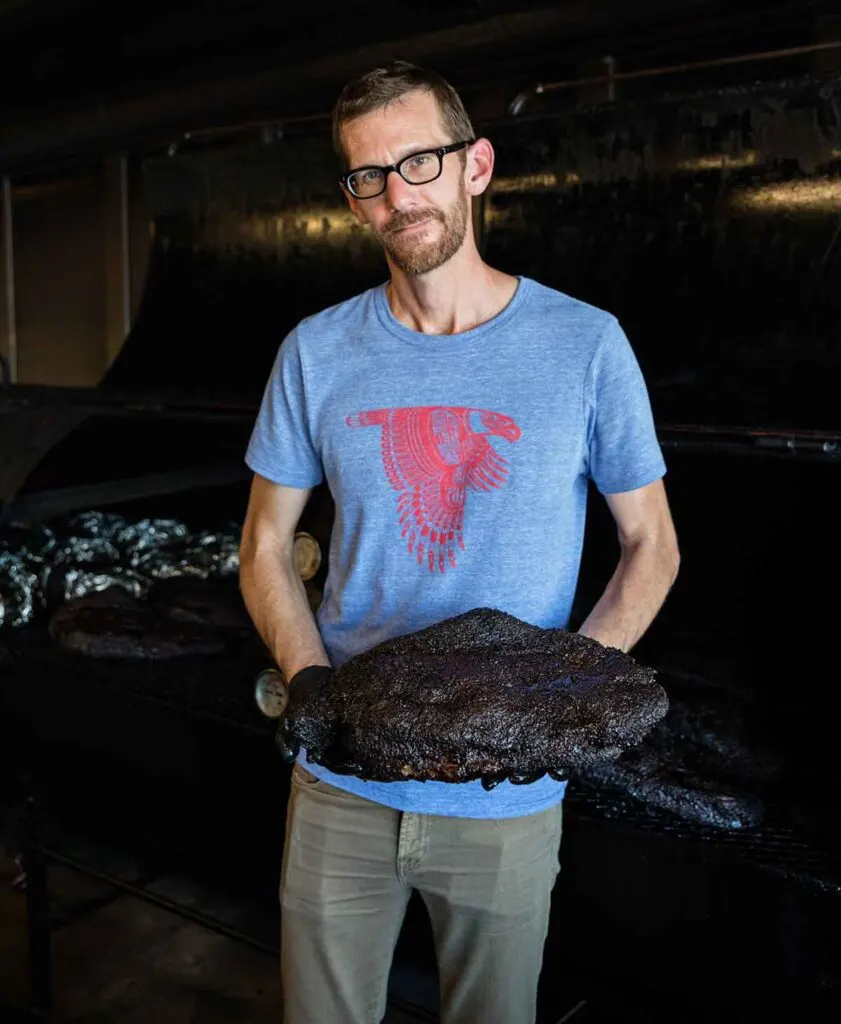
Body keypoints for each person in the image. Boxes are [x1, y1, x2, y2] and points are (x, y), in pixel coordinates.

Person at [239, 60, 680, 1024]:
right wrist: (309, 681)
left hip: (504, 798)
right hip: (340, 777)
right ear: (352, 202)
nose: (400, 194)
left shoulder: (586, 343)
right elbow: (266, 543)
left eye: (421, 160)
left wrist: (554, 698)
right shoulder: (315, 351)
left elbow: (651, 543)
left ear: (475, 165)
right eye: (370, 176)